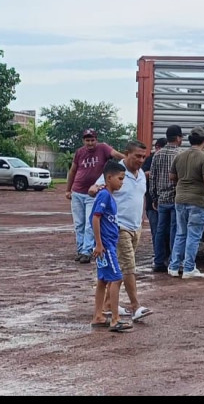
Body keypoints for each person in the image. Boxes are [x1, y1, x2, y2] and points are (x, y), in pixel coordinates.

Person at [89, 141, 154, 323]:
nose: (141, 160)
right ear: (127, 154)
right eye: (137, 156)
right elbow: (95, 190)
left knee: (118, 269)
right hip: (119, 228)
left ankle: (108, 305)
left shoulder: (140, 174)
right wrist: (94, 189)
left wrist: (140, 220)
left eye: (144, 157)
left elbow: (139, 197)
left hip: (135, 227)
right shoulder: (115, 172)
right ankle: (136, 306)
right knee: (128, 268)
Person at [65, 129, 124, 264]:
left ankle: (87, 251)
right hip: (78, 191)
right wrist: (68, 189)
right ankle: (80, 250)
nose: (90, 143)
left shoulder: (103, 148)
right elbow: (73, 170)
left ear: (96, 140)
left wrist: (128, 160)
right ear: (83, 141)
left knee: (90, 223)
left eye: (92, 140)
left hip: (93, 193)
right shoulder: (80, 152)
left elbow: (114, 154)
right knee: (79, 224)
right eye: (87, 140)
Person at [167, 127, 204, 279]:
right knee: (193, 235)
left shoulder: (179, 156)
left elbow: (172, 177)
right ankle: (189, 268)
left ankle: (174, 266)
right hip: (197, 201)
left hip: (180, 199)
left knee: (180, 234)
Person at [88, 161, 133, 333]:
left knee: (102, 280)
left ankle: (98, 315)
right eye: (120, 179)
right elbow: (95, 218)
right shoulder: (104, 195)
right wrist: (99, 244)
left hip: (107, 244)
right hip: (106, 246)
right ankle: (115, 319)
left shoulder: (107, 195)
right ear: (109, 177)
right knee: (116, 279)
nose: (122, 182)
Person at [149, 125, 184, 272]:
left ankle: (158, 261)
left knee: (160, 231)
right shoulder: (181, 154)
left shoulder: (157, 154)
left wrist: (154, 197)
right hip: (176, 199)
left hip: (161, 200)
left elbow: (152, 177)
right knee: (175, 231)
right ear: (178, 138)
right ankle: (173, 261)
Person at [143, 138, 168, 254]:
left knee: (167, 231)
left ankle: (166, 255)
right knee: (156, 230)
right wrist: (156, 172)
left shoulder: (170, 159)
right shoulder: (150, 159)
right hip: (152, 203)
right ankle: (158, 256)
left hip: (167, 201)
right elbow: (142, 175)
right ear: (157, 148)